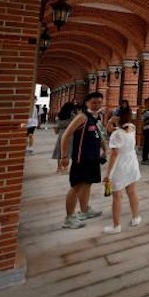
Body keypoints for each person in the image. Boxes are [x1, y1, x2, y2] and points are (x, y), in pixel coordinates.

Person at [59, 92, 107, 229]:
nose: (97, 105)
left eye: (99, 102)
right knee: (76, 187)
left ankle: (84, 210)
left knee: (87, 184)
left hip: (93, 158)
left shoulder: (95, 118)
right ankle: (69, 218)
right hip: (81, 159)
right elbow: (66, 136)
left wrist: (104, 149)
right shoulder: (82, 117)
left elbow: (98, 134)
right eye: (94, 102)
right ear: (86, 103)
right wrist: (64, 156)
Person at [103, 121, 141, 234]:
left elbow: (114, 154)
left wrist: (108, 174)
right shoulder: (132, 127)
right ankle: (135, 218)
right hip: (132, 162)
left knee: (117, 197)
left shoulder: (116, 135)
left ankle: (116, 226)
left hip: (120, 166)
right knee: (132, 192)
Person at [51, 102, 78, 173]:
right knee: (67, 151)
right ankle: (65, 167)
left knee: (60, 150)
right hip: (70, 134)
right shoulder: (72, 116)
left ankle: (59, 168)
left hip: (61, 134)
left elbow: (57, 125)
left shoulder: (59, 116)